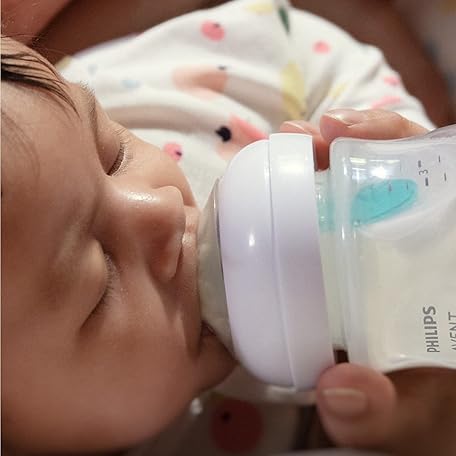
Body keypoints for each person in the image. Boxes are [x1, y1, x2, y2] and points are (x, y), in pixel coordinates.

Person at [2, 0, 456, 455]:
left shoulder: (161, 92)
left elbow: (292, 45)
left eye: (113, 155)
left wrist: (384, 159)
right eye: (100, 283)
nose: (162, 206)